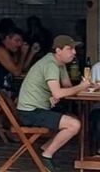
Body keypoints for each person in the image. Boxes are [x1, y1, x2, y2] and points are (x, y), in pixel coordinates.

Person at [17, 35, 88, 171]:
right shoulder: (50, 65)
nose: (74, 52)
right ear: (58, 50)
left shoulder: (59, 64)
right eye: (69, 49)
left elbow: (66, 87)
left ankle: (45, 148)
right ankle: (46, 155)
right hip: (30, 112)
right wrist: (81, 87)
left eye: (74, 49)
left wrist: (85, 87)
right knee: (74, 124)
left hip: (39, 109)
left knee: (75, 119)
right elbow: (59, 93)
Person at [0, 27, 39, 100]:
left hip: (2, 89)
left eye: (21, 41)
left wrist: (31, 52)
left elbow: (21, 68)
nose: (20, 44)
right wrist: (23, 54)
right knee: (32, 95)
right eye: (17, 40)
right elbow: (17, 73)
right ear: (7, 38)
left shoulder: (9, 51)